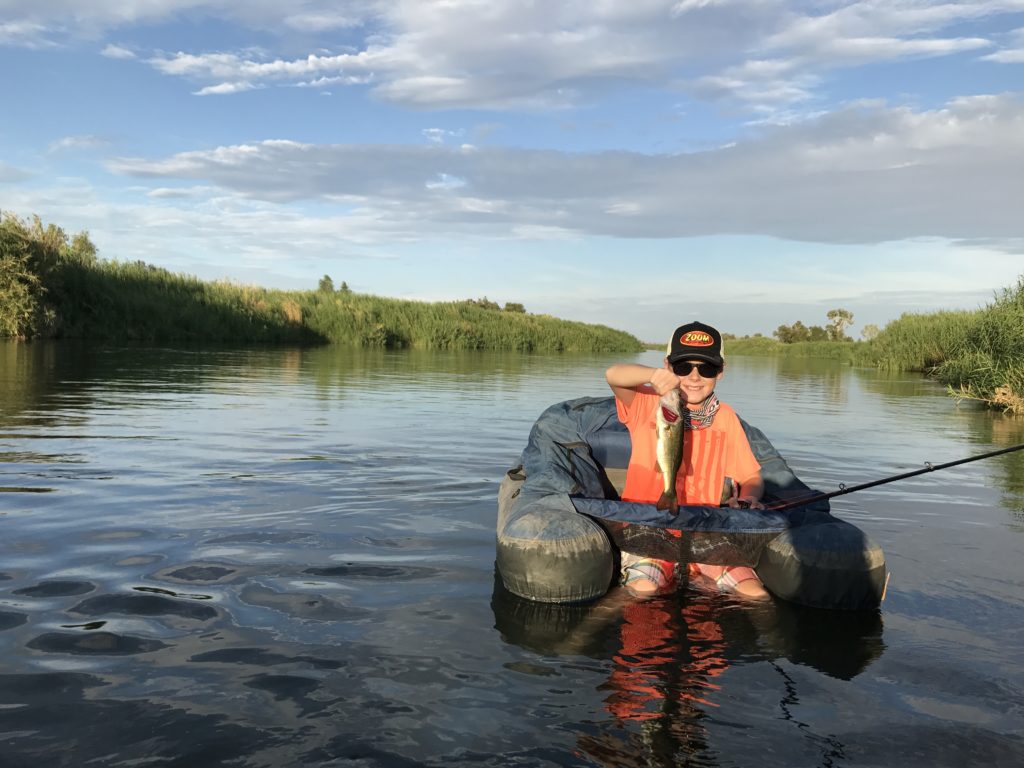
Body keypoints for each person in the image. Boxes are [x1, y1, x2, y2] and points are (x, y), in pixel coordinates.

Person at [605, 320, 770, 601]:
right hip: (647, 530)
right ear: (668, 366)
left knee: (754, 594)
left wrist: (747, 498)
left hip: (706, 533)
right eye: (683, 367)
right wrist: (652, 376)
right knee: (643, 589)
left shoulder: (726, 418)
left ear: (720, 372)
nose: (694, 377)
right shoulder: (646, 403)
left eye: (706, 368)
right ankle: (583, 637)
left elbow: (751, 477)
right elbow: (613, 374)